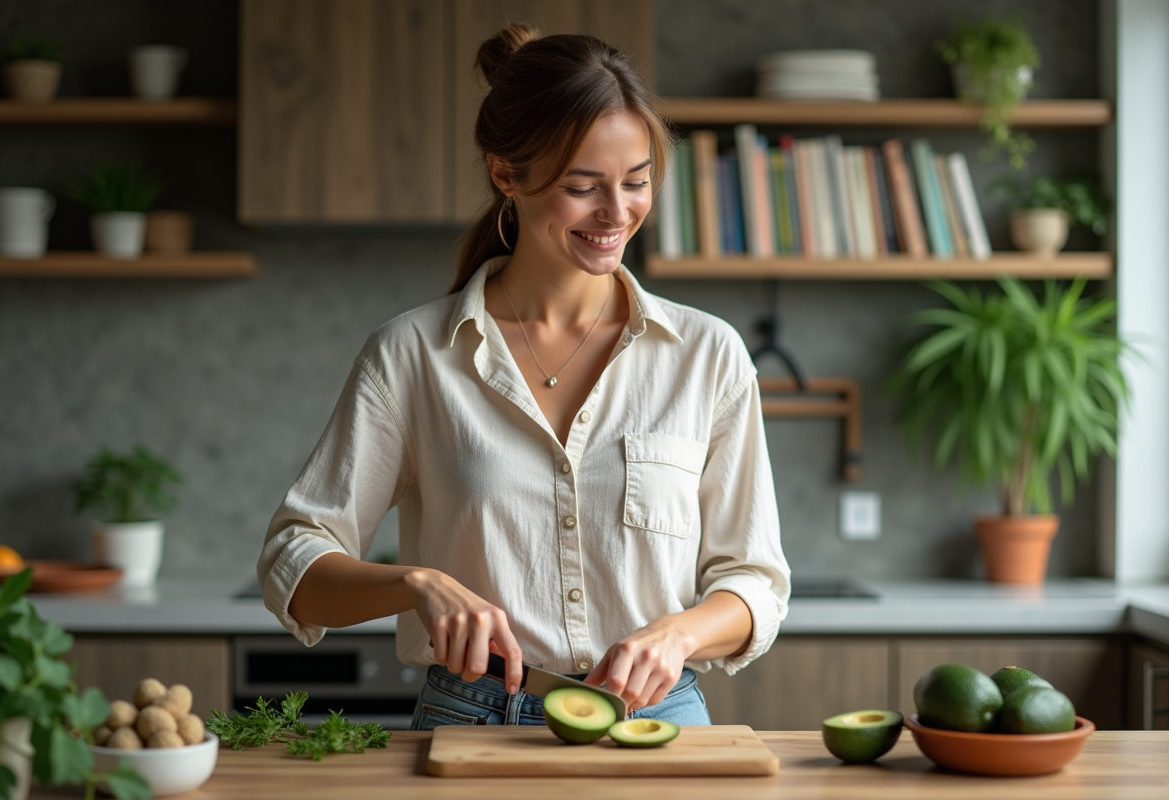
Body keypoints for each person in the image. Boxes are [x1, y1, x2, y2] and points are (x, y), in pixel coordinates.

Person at [257, 23, 790, 730]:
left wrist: (679, 635)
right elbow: (293, 564)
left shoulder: (708, 354)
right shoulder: (413, 355)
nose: (616, 213)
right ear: (505, 174)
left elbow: (755, 582)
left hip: (659, 720)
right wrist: (418, 585)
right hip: (474, 718)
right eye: (582, 187)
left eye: (636, 182)